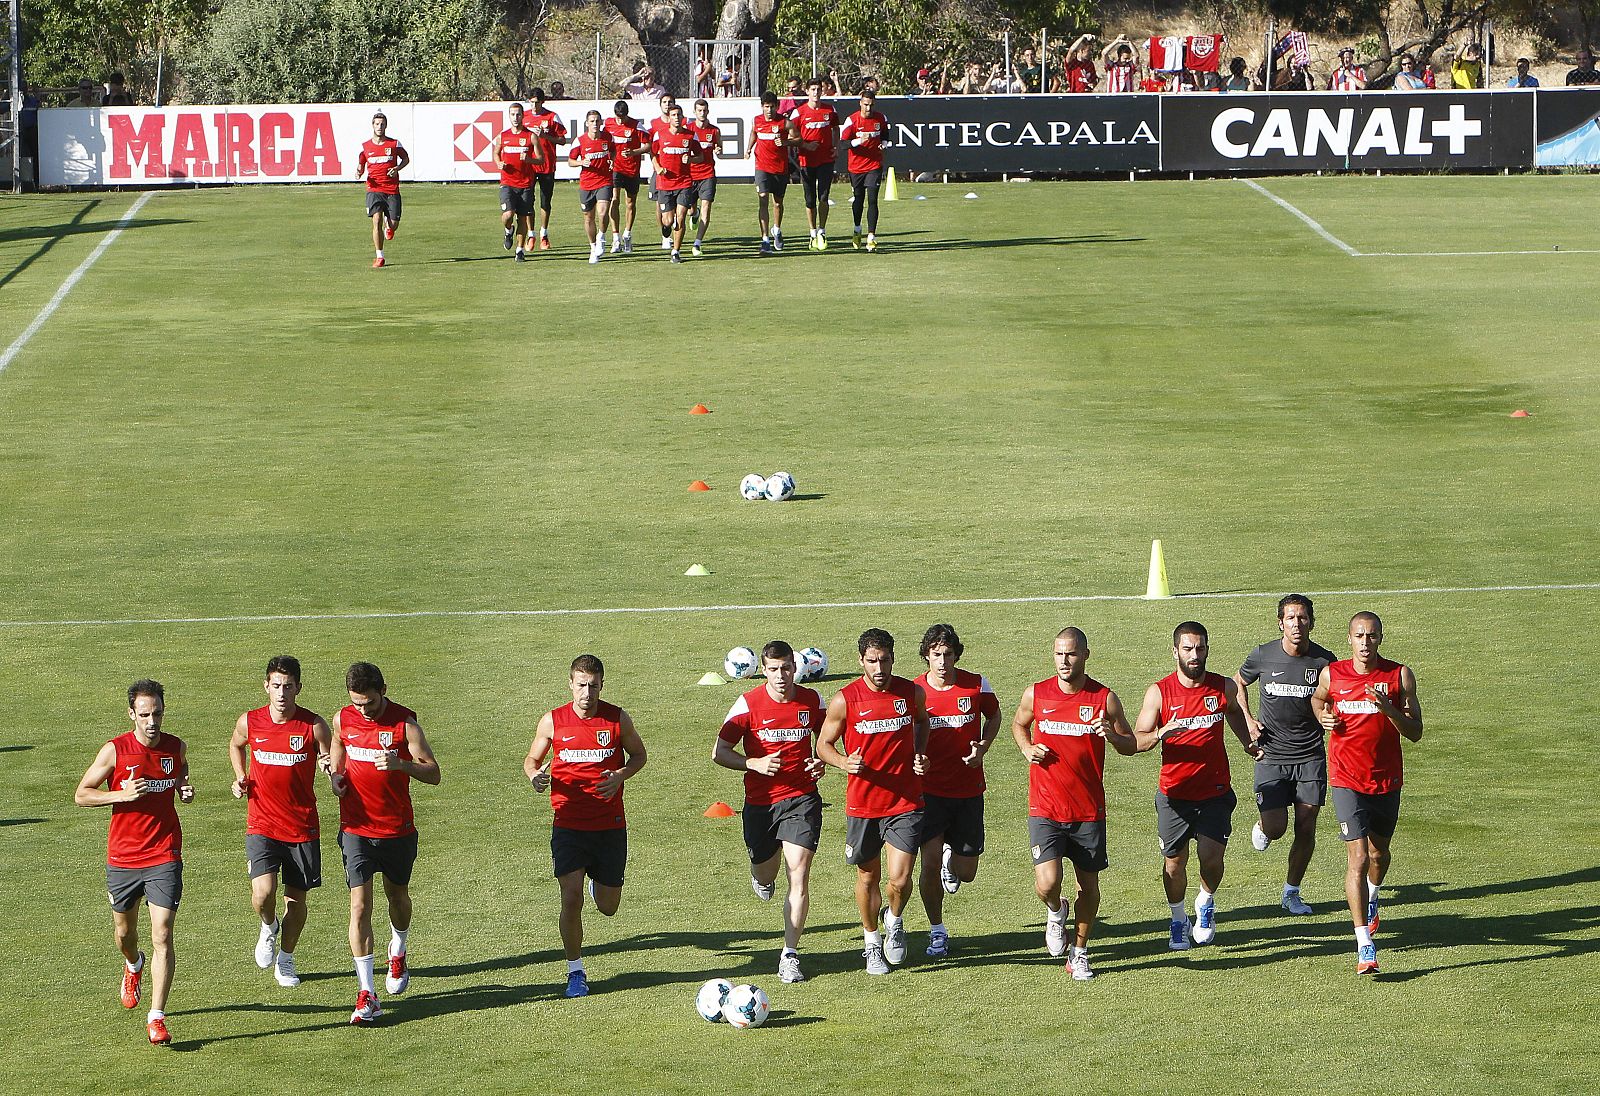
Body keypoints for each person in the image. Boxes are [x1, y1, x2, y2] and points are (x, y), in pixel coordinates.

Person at [1011, 628, 1135, 980]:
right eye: (1058, 654)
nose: (1064, 661)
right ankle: (1055, 910)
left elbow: (1130, 743)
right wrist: (1026, 748)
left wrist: (1111, 736)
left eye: (1071, 654)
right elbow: (1019, 724)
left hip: (1087, 811)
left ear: (1085, 655)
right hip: (1045, 807)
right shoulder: (1037, 693)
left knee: (1089, 886)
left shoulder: (1104, 698)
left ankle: (1079, 952)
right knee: (1048, 883)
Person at [75, 680, 194, 1046]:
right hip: (124, 858)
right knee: (125, 936)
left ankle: (157, 1016)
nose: (152, 721)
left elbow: (180, 773)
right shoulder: (115, 750)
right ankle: (133, 965)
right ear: (132, 714)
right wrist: (121, 794)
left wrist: (184, 789)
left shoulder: (176, 747)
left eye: (157, 713)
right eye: (144, 715)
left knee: (163, 933)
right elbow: (81, 794)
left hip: (164, 854)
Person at [1129, 622, 1259, 952]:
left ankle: (1205, 903)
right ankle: (1177, 919)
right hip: (1174, 796)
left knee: (1211, 860)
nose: (1194, 655)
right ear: (1175, 651)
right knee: (1174, 864)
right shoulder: (1159, 692)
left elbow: (1234, 710)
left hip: (1215, 792)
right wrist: (1161, 734)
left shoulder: (1222, 687)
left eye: (1200, 648)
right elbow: (1136, 739)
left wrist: (1248, 741)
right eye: (1187, 649)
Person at [525, 654, 648, 998]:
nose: (587, 693)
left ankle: (599, 886)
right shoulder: (553, 721)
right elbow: (532, 759)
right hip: (568, 825)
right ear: (570, 684)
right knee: (570, 897)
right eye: (581, 685)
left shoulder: (617, 719)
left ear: (601, 686)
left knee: (609, 907)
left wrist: (621, 775)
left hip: (609, 826)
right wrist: (535, 775)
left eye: (593, 686)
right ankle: (575, 971)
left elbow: (639, 755)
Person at [328, 662, 441, 1024]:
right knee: (359, 906)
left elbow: (434, 773)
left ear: (384, 690)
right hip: (356, 830)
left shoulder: (405, 725)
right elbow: (337, 754)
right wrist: (335, 777)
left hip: (396, 831)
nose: (364, 710)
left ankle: (399, 948)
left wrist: (400, 765)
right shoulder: (343, 719)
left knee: (398, 897)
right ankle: (367, 993)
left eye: (370, 703)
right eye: (358, 703)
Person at [1311, 612, 1423, 976]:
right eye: (1359, 635)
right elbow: (1318, 699)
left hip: (1386, 781)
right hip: (1345, 780)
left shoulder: (1398, 676)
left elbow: (1416, 731)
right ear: (1349, 639)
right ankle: (1364, 944)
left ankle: (1373, 898)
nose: (1365, 642)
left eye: (1371, 636)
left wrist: (1388, 708)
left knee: (1379, 854)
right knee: (1357, 859)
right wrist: (1323, 717)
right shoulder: (1334, 673)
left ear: (1380, 638)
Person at [816, 629, 929, 976]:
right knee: (868, 878)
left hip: (905, 801)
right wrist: (843, 762)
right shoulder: (845, 699)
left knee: (900, 878)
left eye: (884, 660)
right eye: (871, 661)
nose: (878, 668)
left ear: (893, 658)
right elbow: (823, 744)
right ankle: (871, 942)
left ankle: (894, 920)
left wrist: (919, 752)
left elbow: (923, 722)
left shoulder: (911, 692)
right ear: (860, 661)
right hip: (863, 805)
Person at [713, 641, 827, 983]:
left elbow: (828, 739)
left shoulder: (811, 701)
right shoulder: (748, 704)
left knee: (800, 872)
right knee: (766, 871)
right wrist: (754, 763)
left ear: (797, 667)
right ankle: (761, 875)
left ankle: (790, 955)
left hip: (801, 799)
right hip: (760, 805)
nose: (782, 675)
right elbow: (719, 752)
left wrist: (822, 760)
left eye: (787, 668)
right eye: (774, 669)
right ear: (763, 670)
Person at [228, 656, 334, 990]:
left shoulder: (313, 726)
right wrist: (239, 776)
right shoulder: (250, 721)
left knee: (297, 901)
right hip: (261, 823)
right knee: (262, 894)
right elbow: (235, 744)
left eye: (288, 687)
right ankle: (268, 926)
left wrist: (329, 767)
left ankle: (286, 959)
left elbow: (332, 760)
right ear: (266, 687)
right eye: (276, 686)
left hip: (301, 826)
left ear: (298, 688)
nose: (281, 693)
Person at [1233, 596, 1337, 916]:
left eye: (1302, 618)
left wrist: (1332, 715)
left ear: (1311, 622)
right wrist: (1248, 720)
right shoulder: (1263, 655)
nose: (1296, 624)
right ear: (1280, 623)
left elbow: (1336, 697)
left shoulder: (1324, 661)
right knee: (1277, 827)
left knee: (1306, 826)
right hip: (1271, 754)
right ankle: (1264, 828)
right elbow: (1238, 683)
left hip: (1310, 756)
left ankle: (1291, 892)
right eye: (1290, 618)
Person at [911, 624, 999, 961]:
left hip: (967, 792)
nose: (942, 661)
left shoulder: (975, 684)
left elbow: (995, 716)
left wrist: (984, 747)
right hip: (928, 793)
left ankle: (954, 859)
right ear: (926, 656)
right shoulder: (914, 690)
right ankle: (937, 931)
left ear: (956, 655)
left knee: (967, 873)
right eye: (936, 654)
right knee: (928, 864)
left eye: (948, 654)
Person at [649, 103, 701, 264]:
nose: (676, 118)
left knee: (681, 218)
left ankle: (676, 251)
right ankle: (665, 229)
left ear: (683, 117)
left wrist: (691, 159)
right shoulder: (660, 135)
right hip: (665, 184)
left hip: (684, 183)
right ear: (669, 118)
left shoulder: (691, 136)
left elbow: (701, 156)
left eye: (679, 115)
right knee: (668, 221)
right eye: (673, 115)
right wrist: (657, 167)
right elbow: (652, 153)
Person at [355, 112, 408, 268]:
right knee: (375, 220)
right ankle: (379, 256)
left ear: (386, 126)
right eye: (377, 124)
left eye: (382, 124)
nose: (380, 127)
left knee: (394, 224)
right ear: (373, 125)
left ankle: (389, 225)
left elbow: (406, 159)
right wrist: (359, 171)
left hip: (391, 189)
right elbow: (361, 163)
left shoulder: (394, 144)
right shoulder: (365, 146)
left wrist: (397, 168)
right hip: (374, 189)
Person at [794, 79, 840, 251]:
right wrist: (805, 145)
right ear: (807, 91)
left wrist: (836, 147)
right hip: (806, 161)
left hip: (826, 160)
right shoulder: (799, 113)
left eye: (818, 89)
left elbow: (836, 128)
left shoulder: (830, 110)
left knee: (824, 196)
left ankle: (822, 230)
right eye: (812, 89)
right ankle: (812, 232)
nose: (816, 92)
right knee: (810, 199)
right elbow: (792, 135)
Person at [840, 89, 889, 253]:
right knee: (858, 199)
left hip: (874, 165)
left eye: (871, 105)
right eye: (865, 104)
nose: (868, 108)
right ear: (860, 103)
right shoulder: (851, 120)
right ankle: (857, 229)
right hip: (856, 167)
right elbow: (843, 144)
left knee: (873, 199)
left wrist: (885, 144)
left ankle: (871, 237)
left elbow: (886, 136)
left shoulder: (880, 118)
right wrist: (858, 141)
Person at [493, 102, 542, 262]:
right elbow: (496, 152)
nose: (516, 117)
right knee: (508, 215)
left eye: (518, 114)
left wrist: (529, 159)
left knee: (522, 218)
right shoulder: (503, 136)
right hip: (507, 183)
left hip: (526, 184)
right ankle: (508, 230)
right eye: (513, 114)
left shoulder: (531, 136)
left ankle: (520, 251)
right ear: (509, 116)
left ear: (523, 115)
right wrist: (498, 162)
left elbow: (541, 159)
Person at [567, 110, 615, 265]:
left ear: (601, 123)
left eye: (597, 121)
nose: (595, 124)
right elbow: (570, 161)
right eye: (592, 121)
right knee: (589, 217)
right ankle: (593, 248)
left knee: (602, 212)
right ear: (587, 123)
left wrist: (612, 160)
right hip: (587, 183)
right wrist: (581, 162)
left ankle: (601, 236)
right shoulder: (580, 141)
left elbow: (613, 152)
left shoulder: (608, 138)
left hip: (604, 181)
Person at [525, 89, 570, 252]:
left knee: (545, 202)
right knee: (528, 202)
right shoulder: (524, 117)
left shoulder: (552, 117)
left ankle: (544, 234)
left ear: (542, 102)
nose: (534, 105)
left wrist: (545, 136)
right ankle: (531, 235)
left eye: (537, 102)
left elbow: (563, 140)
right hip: (529, 166)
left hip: (547, 166)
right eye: (531, 102)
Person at [749, 92, 791, 255]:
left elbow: (798, 139)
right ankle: (765, 239)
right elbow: (754, 133)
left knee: (778, 203)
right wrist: (749, 148)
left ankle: (777, 230)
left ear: (777, 106)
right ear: (762, 107)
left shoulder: (784, 122)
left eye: (772, 106)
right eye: (766, 107)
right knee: (763, 199)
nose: (769, 110)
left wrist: (786, 142)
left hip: (780, 168)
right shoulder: (757, 120)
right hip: (762, 167)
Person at [604, 101, 647, 254]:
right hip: (616, 168)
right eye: (618, 117)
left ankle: (627, 234)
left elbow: (648, 145)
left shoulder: (636, 126)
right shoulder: (608, 124)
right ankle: (615, 238)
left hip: (632, 170)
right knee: (614, 200)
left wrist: (634, 152)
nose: (620, 121)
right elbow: (604, 142)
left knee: (630, 203)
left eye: (623, 117)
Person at [687, 99, 721, 257]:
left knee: (706, 209)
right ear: (694, 112)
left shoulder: (714, 131)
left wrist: (718, 150)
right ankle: (694, 213)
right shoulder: (688, 130)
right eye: (699, 110)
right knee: (690, 209)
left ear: (708, 111)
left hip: (708, 174)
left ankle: (697, 243)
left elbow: (718, 146)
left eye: (704, 110)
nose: (702, 113)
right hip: (690, 175)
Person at [647, 94, 680, 251]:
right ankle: (664, 236)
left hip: (679, 173)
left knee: (678, 207)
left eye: (670, 102)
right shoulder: (654, 124)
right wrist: (657, 167)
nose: (667, 105)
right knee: (660, 205)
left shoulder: (682, 122)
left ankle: (675, 234)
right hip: (660, 171)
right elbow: (650, 149)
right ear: (660, 105)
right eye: (664, 102)